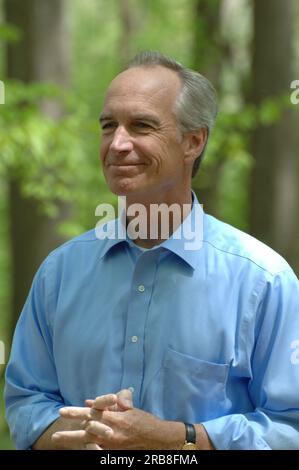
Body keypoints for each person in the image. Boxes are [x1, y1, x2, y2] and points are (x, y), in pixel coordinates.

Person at [5, 50, 299, 451]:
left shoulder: (262, 281)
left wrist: (176, 440)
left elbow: (290, 427)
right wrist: (85, 436)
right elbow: (25, 402)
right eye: (108, 126)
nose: (118, 144)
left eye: (141, 126)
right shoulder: (59, 273)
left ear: (193, 141)